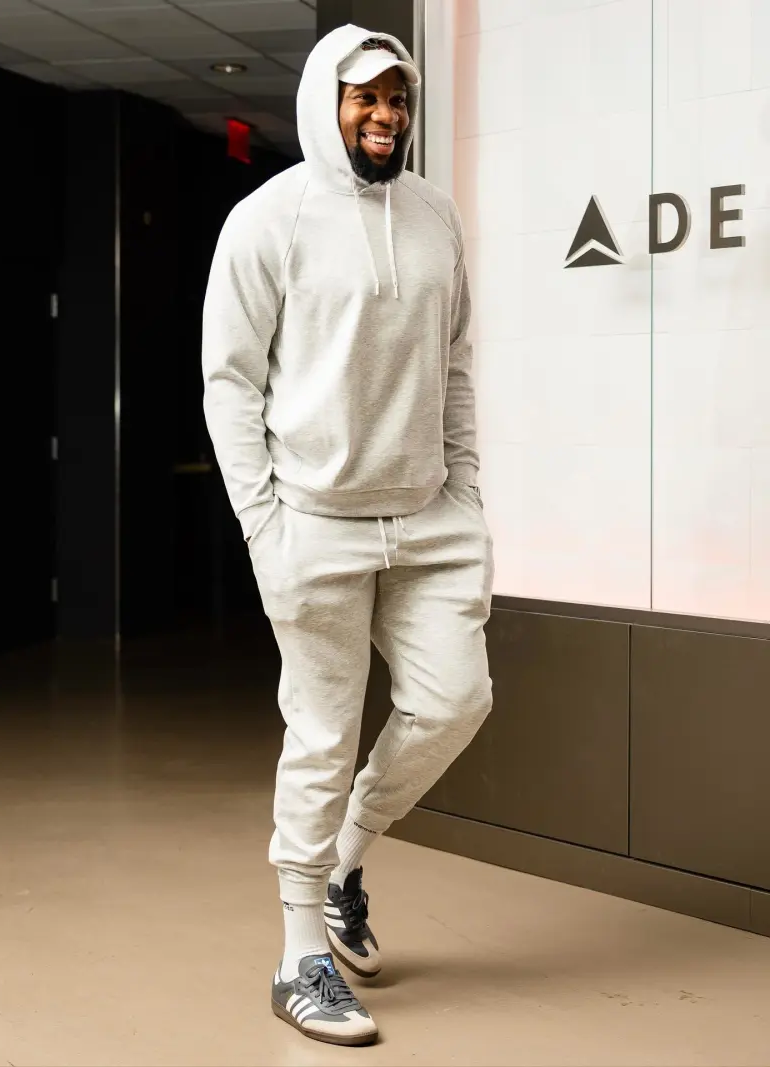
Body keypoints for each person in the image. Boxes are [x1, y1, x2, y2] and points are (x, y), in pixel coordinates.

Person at [202, 23, 493, 1048]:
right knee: (319, 735)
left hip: (426, 518)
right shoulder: (266, 219)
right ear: (327, 100)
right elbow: (230, 384)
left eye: (397, 100)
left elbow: (455, 367)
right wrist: (263, 526)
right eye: (364, 97)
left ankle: (343, 862)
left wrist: (465, 497)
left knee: (456, 700)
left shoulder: (434, 217)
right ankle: (299, 958)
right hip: (313, 524)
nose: (383, 116)